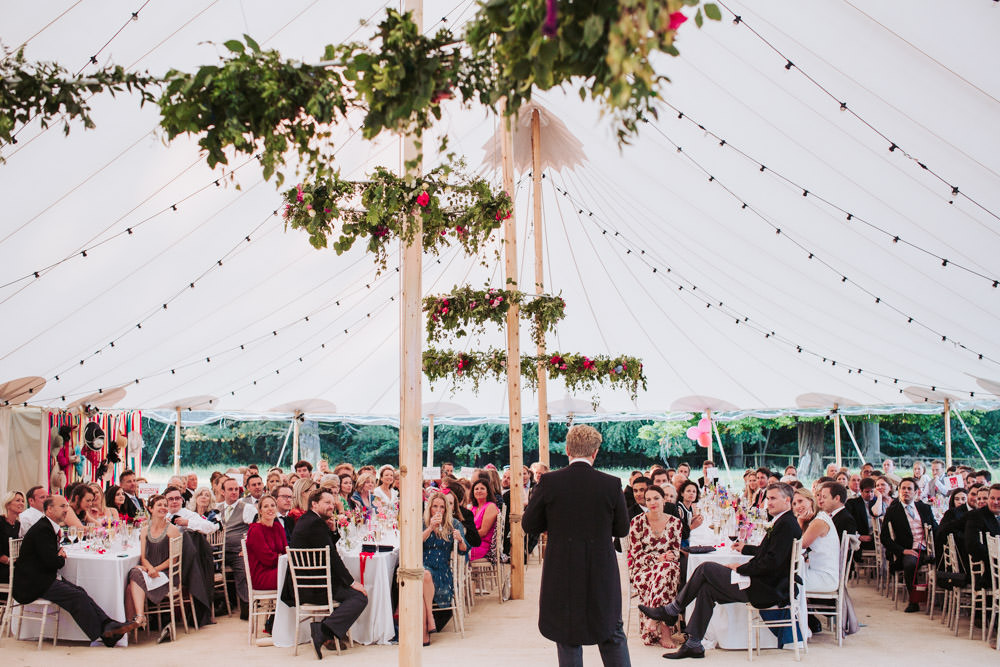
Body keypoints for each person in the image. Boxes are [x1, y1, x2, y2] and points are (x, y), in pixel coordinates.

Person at [640, 483, 802, 660]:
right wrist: (746, 549)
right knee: (706, 590)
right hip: (765, 582)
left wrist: (739, 568)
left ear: (787, 500)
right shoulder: (784, 521)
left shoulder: (786, 525)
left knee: (706, 568)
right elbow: (770, 553)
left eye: (773, 498)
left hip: (767, 588)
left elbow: (771, 563)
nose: (768, 503)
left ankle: (673, 609)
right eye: (768, 498)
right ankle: (693, 644)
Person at [522, 424, 630, 667]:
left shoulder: (549, 482)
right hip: (601, 567)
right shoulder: (611, 484)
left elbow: (529, 525)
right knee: (611, 630)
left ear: (568, 450)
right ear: (595, 453)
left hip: (562, 567)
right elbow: (622, 529)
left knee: (567, 634)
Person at [13, 495, 142, 646]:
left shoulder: (47, 526)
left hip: (43, 578)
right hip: (33, 584)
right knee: (76, 596)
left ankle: (109, 626)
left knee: (80, 591)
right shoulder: (43, 529)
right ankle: (104, 634)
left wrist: (58, 554)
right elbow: (52, 562)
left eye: (67, 506)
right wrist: (60, 557)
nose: (66, 510)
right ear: (49, 510)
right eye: (62, 506)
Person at [288, 489, 368, 659]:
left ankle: (326, 630)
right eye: (327, 503)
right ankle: (324, 630)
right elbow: (332, 557)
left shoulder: (309, 520)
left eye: (332, 503)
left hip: (310, 583)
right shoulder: (314, 523)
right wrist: (352, 582)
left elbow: (324, 548)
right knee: (359, 597)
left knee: (355, 595)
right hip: (315, 587)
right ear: (314, 504)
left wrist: (332, 531)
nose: (332, 506)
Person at [626, 485, 682, 648]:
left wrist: (667, 558)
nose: (652, 502)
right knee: (665, 572)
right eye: (648, 499)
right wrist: (658, 559)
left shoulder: (675, 523)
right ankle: (665, 631)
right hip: (643, 570)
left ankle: (654, 617)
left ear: (664, 499)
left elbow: (676, 552)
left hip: (667, 567)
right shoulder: (637, 522)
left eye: (656, 498)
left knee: (667, 570)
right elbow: (636, 554)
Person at [124, 494, 181, 643]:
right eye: (159, 505)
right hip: (151, 571)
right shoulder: (144, 530)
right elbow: (143, 557)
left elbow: (174, 558)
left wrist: (156, 569)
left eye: (165, 505)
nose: (163, 508)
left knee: (134, 577)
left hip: (167, 573)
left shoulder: (172, 530)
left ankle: (137, 620)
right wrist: (149, 568)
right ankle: (138, 620)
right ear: (150, 509)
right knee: (131, 582)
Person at [881, 477, 937, 612]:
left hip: (926, 548)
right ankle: (914, 601)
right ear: (899, 491)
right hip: (909, 550)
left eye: (909, 489)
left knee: (943, 560)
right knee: (910, 564)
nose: (906, 491)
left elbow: (935, 528)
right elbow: (884, 537)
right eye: (903, 489)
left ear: (916, 492)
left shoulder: (924, 508)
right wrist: (902, 551)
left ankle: (939, 598)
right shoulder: (893, 510)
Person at [422, 490, 467, 645]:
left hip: (442, 568)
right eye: (435, 506)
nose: (438, 510)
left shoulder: (454, 524)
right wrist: (430, 528)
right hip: (423, 563)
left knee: (421, 584)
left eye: (442, 507)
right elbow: (413, 543)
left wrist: (460, 540)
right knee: (423, 576)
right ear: (429, 508)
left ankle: (425, 631)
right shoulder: (422, 522)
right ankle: (430, 619)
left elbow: (464, 550)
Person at [217, 477, 257, 619]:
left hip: (238, 550)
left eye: (236, 489)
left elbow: (255, 529)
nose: (234, 492)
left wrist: (246, 548)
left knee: (242, 570)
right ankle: (218, 604)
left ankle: (246, 606)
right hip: (218, 552)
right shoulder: (217, 508)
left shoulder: (247, 508)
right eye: (230, 489)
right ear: (223, 492)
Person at [797, 489, 839, 595]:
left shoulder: (819, 521)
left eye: (800, 501)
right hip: (816, 571)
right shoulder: (818, 518)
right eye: (794, 503)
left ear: (811, 500)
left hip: (825, 578)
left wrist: (800, 522)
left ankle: (793, 610)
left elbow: (799, 546)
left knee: (782, 580)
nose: (797, 506)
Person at [246, 495, 287, 592]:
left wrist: (282, 557)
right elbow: (267, 559)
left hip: (278, 569)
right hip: (262, 575)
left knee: (297, 572)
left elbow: (286, 549)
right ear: (260, 511)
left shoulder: (278, 527)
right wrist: (283, 559)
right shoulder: (255, 530)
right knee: (293, 574)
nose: (270, 509)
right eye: (266, 506)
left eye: (273, 505)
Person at [964, 483, 1000, 584]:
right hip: (989, 569)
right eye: (992, 498)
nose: (995, 502)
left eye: (999, 499)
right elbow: (972, 545)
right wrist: (995, 556)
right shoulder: (976, 515)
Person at [468, 478, 499, 561]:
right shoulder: (473, 508)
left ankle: (462, 573)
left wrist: (466, 537)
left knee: (458, 551)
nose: (479, 491)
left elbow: (483, 532)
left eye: (482, 488)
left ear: (487, 491)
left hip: (482, 545)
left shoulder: (490, 506)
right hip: (472, 542)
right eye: (476, 489)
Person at [845, 477, 877, 551]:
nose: (870, 494)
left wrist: (879, 497)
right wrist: (858, 536)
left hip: (875, 537)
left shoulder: (876, 502)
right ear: (861, 491)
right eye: (867, 492)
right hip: (859, 538)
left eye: (872, 491)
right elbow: (849, 523)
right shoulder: (852, 503)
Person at [1, 491, 24, 583]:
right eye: (18, 500)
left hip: (12, 564)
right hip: (4, 566)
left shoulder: (17, 524)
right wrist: (10, 561)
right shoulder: (1, 522)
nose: (21, 503)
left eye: (22, 501)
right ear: (7, 505)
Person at [676, 480, 703, 545]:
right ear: (682, 493)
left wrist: (693, 519)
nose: (691, 493)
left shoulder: (689, 507)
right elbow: (678, 532)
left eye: (694, 492)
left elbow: (685, 523)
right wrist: (693, 526)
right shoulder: (679, 509)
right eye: (688, 491)